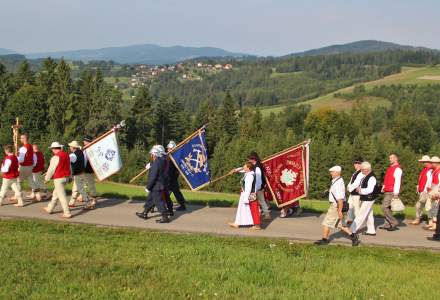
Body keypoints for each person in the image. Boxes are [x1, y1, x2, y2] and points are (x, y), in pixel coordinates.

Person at [315, 166, 358, 246]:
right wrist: (328, 191)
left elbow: (340, 199)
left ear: (338, 172)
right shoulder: (337, 180)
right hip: (337, 205)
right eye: (331, 171)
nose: (331, 173)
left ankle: (324, 240)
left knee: (326, 223)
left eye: (332, 172)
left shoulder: (338, 183)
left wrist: (339, 211)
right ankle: (354, 237)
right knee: (340, 225)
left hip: (336, 206)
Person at [136, 145, 170, 223]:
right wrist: (151, 165)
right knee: (150, 200)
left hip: (156, 185)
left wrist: (148, 187)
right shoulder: (163, 160)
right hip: (159, 184)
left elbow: (153, 177)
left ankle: (165, 218)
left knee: (159, 202)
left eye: (152, 154)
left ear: (156, 154)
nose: (151, 155)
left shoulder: (157, 162)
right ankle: (144, 213)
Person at [348, 161, 379, 238]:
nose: (361, 171)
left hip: (369, 198)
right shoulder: (367, 175)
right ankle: (371, 230)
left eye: (362, 170)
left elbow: (370, 189)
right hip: (367, 198)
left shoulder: (371, 177)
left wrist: (360, 190)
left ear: (366, 169)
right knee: (369, 214)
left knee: (361, 214)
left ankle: (352, 230)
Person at [42, 142, 72, 218]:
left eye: (52, 149)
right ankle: (50, 208)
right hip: (66, 177)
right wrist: (70, 176)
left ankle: (67, 212)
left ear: (54, 149)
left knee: (61, 196)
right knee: (56, 193)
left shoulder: (55, 157)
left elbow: (51, 169)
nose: (52, 150)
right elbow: (70, 167)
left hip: (59, 178)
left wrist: (47, 178)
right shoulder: (66, 155)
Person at [228, 162, 261, 230]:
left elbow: (248, 188)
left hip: (249, 195)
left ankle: (257, 225)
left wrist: (246, 198)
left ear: (248, 168)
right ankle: (237, 223)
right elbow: (241, 169)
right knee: (242, 209)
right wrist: (235, 170)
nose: (243, 167)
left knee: (254, 209)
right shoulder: (248, 173)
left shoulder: (250, 176)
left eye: (245, 166)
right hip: (245, 194)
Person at [380, 153, 402, 231]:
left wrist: (396, 193)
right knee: (388, 208)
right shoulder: (390, 168)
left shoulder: (398, 169)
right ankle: (387, 224)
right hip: (387, 190)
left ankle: (394, 222)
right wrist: (383, 187)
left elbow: (397, 182)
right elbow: (386, 179)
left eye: (392, 158)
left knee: (384, 207)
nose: (390, 159)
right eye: (389, 158)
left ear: (396, 159)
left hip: (392, 191)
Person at [67, 141, 92, 209]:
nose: (70, 147)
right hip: (82, 173)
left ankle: (88, 203)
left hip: (78, 174)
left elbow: (67, 161)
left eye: (70, 146)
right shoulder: (81, 152)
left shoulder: (73, 155)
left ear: (73, 147)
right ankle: (71, 202)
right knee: (75, 189)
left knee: (80, 189)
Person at [248, 152, 271, 221]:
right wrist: (236, 170)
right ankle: (261, 214)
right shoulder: (254, 165)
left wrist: (256, 189)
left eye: (249, 159)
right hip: (258, 187)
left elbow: (258, 179)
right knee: (259, 201)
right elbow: (246, 168)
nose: (248, 160)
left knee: (260, 201)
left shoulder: (257, 167)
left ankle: (266, 215)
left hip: (258, 187)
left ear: (253, 159)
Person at [166, 141, 187, 211]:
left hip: (172, 178)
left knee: (167, 193)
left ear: (173, 149)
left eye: (170, 148)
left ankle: (181, 205)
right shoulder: (168, 156)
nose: (168, 150)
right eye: (168, 148)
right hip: (169, 178)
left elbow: (177, 169)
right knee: (167, 193)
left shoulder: (176, 157)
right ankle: (175, 204)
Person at [411, 155, 433, 225]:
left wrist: (426, 190)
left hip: (426, 191)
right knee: (421, 205)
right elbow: (422, 179)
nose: (422, 163)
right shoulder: (425, 169)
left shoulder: (430, 170)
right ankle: (423, 220)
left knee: (423, 205)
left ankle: (429, 221)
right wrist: (419, 187)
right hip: (422, 190)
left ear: (427, 162)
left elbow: (429, 181)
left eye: (423, 162)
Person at [17, 133, 37, 199]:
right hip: (30, 166)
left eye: (21, 138)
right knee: (31, 181)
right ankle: (37, 194)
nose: (20, 139)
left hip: (24, 166)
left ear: (25, 138)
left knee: (18, 181)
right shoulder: (30, 146)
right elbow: (33, 156)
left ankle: (19, 197)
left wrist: (16, 158)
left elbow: (21, 160)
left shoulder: (23, 148)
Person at [81, 136, 98, 206]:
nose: (83, 142)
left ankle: (94, 199)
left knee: (91, 185)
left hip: (89, 170)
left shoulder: (92, 150)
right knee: (82, 184)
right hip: (83, 170)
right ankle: (82, 196)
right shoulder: (84, 149)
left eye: (85, 141)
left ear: (88, 142)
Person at [346, 159, 364, 224]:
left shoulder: (361, 172)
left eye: (357, 163)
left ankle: (357, 221)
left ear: (361, 164)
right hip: (352, 192)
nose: (355, 165)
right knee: (350, 206)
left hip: (357, 193)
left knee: (356, 207)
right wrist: (348, 186)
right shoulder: (355, 172)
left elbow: (358, 183)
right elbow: (351, 181)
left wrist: (350, 188)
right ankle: (350, 219)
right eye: (355, 163)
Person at [426, 156, 440, 231]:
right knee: (430, 207)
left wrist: (438, 194)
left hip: (437, 190)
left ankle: (435, 225)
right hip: (433, 190)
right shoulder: (434, 171)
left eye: (432, 162)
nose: (431, 164)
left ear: (437, 163)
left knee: (435, 208)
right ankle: (432, 223)